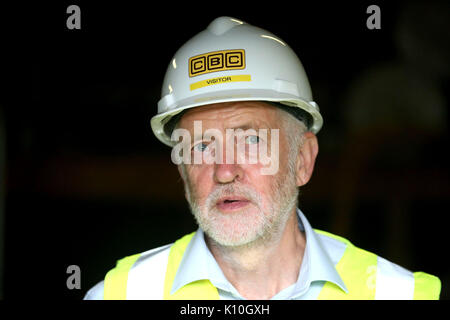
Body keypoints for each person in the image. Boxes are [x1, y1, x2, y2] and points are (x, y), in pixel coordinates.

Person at [84, 16, 441, 300]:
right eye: (201, 147)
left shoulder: (398, 294)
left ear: (303, 159)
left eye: (252, 140)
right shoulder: (125, 294)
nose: (224, 171)